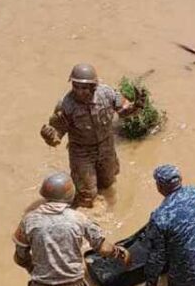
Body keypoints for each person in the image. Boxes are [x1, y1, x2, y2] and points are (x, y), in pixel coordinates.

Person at [12, 172, 129, 286]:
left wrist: (32, 268)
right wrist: (119, 252)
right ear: (70, 195)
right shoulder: (79, 219)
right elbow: (102, 248)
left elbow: (19, 257)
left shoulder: (29, 221)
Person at [39, 63, 145, 208]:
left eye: (83, 88)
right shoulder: (66, 105)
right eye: (75, 86)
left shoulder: (107, 94)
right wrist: (49, 136)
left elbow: (124, 111)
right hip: (82, 152)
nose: (78, 91)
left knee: (108, 183)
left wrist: (136, 106)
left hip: (106, 146)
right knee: (87, 195)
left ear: (93, 86)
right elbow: (56, 138)